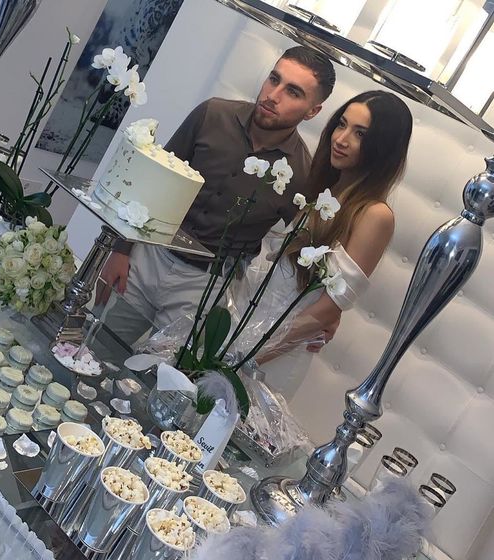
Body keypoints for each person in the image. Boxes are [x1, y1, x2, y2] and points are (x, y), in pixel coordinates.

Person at [95, 46, 336, 346]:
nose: (274, 95)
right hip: (149, 256)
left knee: (158, 371)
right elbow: (154, 181)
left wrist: (329, 313)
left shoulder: (301, 174)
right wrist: (120, 250)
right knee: (98, 346)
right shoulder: (212, 114)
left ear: (312, 111)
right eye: (274, 79)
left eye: (293, 92)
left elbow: (307, 252)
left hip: (205, 286)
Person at [235, 90, 413, 396]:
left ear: (383, 147)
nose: (341, 139)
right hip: (247, 326)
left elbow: (326, 310)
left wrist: (248, 357)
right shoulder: (324, 191)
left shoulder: (374, 214)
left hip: (273, 355)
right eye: (341, 124)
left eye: (360, 134)